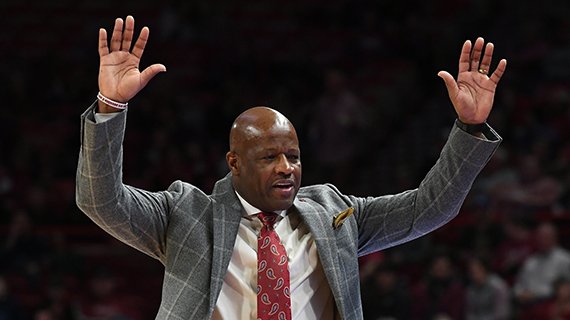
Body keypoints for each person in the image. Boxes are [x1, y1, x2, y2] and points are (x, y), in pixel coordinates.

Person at [76, 15, 506, 319]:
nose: (287, 168)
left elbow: (429, 208)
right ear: (234, 163)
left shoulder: (335, 214)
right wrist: (112, 106)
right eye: (269, 158)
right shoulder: (185, 214)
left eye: (294, 156)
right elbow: (100, 200)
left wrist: (469, 128)